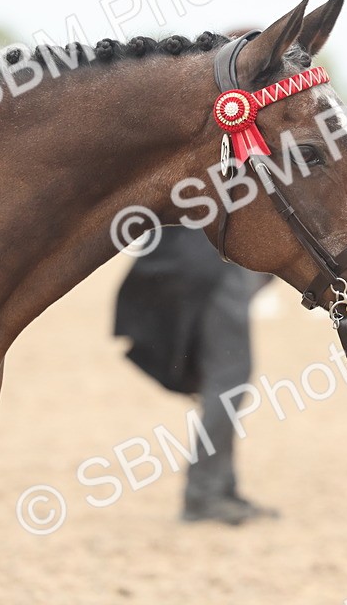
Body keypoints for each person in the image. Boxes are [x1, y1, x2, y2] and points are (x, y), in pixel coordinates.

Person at [114, 225, 276, 525]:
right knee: (228, 383)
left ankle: (220, 488)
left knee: (225, 383)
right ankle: (205, 494)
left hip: (201, 259)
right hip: (216, 262)